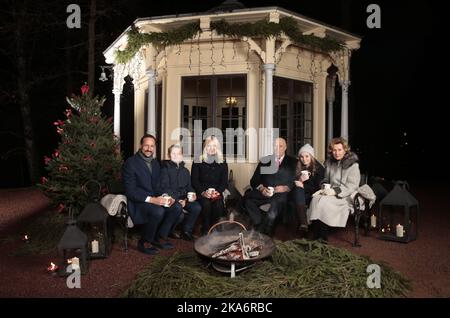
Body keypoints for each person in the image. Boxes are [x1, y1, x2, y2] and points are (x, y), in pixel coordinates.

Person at [122, 134, 183, 255]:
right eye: (146, 146)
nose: (149, 149)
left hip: (155, 199)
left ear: (154, 147)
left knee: (176, 207)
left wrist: (166, 196)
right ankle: (144, 241)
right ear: (141, 146)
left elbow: (158, 186)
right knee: (158, 211)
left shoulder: (155, 163)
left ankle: (159, 237)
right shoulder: (131, 163)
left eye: (152, 146)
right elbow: (130, 191)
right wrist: (152, 200)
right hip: (138, 202)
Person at [307, 137, 361, 242]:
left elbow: (352, 186)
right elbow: (326, 179)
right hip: (330, 193)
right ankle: (317, 233)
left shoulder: (353, 165)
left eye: (339, 150)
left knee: (323, 202)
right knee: (315, 199)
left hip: (344, 196)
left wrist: (334, 191)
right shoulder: (330, 163)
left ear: (345, 150)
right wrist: (324, 186)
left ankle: (322, 237)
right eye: (334, 150)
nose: (337, 153)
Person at [244, 137, 296, 235]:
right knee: (247, 199)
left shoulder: (293, 162)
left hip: (281, 195)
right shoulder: (265, 161)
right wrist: (262, 188)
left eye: (280, 146)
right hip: (265, 193)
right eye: (275, 146)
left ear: (285, 148)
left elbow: (296, 181)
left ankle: (267, 233)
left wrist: (286, 187)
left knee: (274, 210)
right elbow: (254, 180)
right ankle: (258, 222)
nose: (277, 149)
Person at [160, 144, 201, 241]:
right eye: (173, 153)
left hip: (184, 199)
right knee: (179, 211)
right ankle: (166, 233)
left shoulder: (186, 171)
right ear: (169, 155)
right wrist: (177, 200)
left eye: (178, 153)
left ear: (182, 155)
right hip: (171, 199)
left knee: (196, 207)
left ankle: (186, 232)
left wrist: (193, 194)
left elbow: (189, 187)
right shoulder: (164, 170)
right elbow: (165, 188)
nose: (176, 155)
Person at [191, 135, 228, 235]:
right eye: (209, 146)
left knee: (218, 205)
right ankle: (206, 229)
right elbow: (194, 180)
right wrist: (203, 192)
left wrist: (218, 192)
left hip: (216, 192)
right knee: (206, 204)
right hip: (201, 192)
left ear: (218, 148)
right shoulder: (197, 160)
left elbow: (224, 182)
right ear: (205, 147)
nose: (212, 148)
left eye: (214, 146)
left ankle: (216, 229)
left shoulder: (223, 161)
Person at [293, 143, 325, 237]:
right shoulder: (298, 166)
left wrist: (303, 184)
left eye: (307, 156)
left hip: (314, 193)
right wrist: (299, 181)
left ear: (311, 156)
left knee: (298, 190)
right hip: (300, 194)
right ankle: (304, 223)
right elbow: (291, 181)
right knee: (297, 190)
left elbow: (319, 187)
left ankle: (303, 224)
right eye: (301, 157)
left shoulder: (319, 168)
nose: (304, 159)